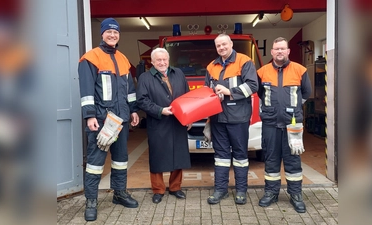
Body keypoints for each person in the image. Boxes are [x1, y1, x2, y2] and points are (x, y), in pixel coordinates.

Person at [78, 18, 140, 221]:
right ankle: (91, 201)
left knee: (121, 161)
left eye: (116, 32)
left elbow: (130, 90)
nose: (112, 35)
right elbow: (86, 91)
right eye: (109, 32)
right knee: (95, 163)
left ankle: (119, 194)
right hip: (101, 120)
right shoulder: (90, 58)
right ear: (102, 34)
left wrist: (132, 110)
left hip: (120, 121)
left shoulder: (123, 59)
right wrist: (89, 116)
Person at [256, 37, 311, 213]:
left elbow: (306, 93)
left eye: (282, 49)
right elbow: (259, 94)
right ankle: (271, 193)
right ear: (272, 52)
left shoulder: (300, 70)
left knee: (293, 159)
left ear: (288, 51)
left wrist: (291, 110)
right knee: (271, 159)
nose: (279, 51)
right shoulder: (262, 72)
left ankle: (296, 195)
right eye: (276, 49)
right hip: (270, 123)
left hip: (292, 124)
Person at [204, 34, 258, 205]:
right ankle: (221, 190)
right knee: (220, 156)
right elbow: (207, 91)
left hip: (238, 117)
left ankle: (241, 191)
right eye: (218, 45)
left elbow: (253, 86)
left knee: (241, 156)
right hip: (218, 118)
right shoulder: (211, 66)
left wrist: (228, 92)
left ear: (231, 44)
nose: (221, 48)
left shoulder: (244, 61)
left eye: (224, 44)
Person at [136, 48, 191, 204]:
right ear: (152, 62)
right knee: (158, 156)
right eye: (158, 60)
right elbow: (142, 100)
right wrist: (160, 110)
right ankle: (158, 190)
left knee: (179, 155)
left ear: (168, 60)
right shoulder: (145, 78)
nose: (162, 62)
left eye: (164, 59)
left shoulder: (178, 73)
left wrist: (189, 117)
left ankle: (175, 187)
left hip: (178, 121)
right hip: (158, 122)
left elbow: (187, 96)